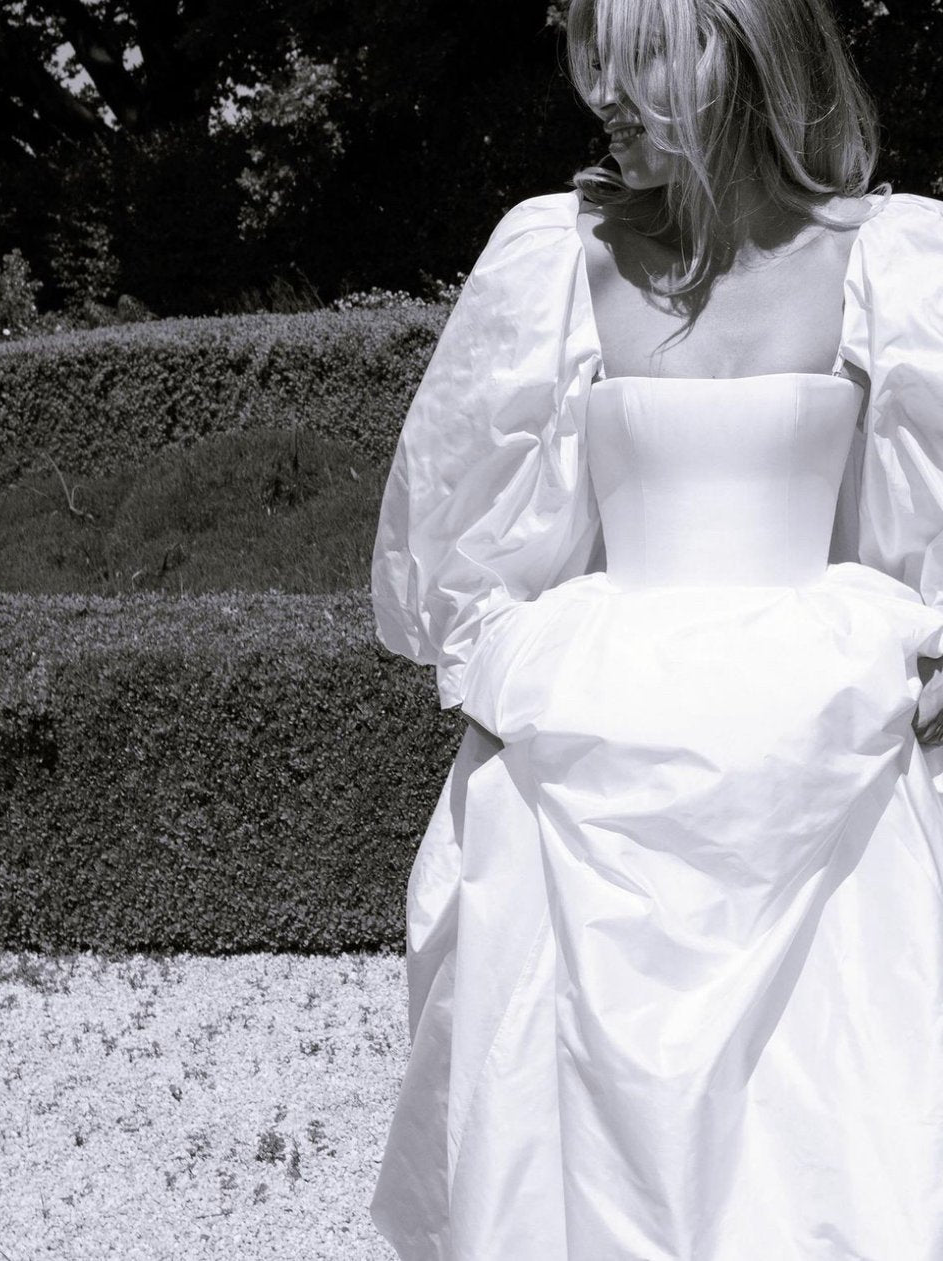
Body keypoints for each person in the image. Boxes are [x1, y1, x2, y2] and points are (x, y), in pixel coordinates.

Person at [368, 0, 943, 1255]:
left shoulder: (894, 263)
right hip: (599, 726)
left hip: (820, 737)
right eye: (591, 60)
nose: (605, 97)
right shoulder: (552, 258)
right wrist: (505, 673)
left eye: (636, 59)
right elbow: (466, 544)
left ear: (738, 49)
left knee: (830, 1114)